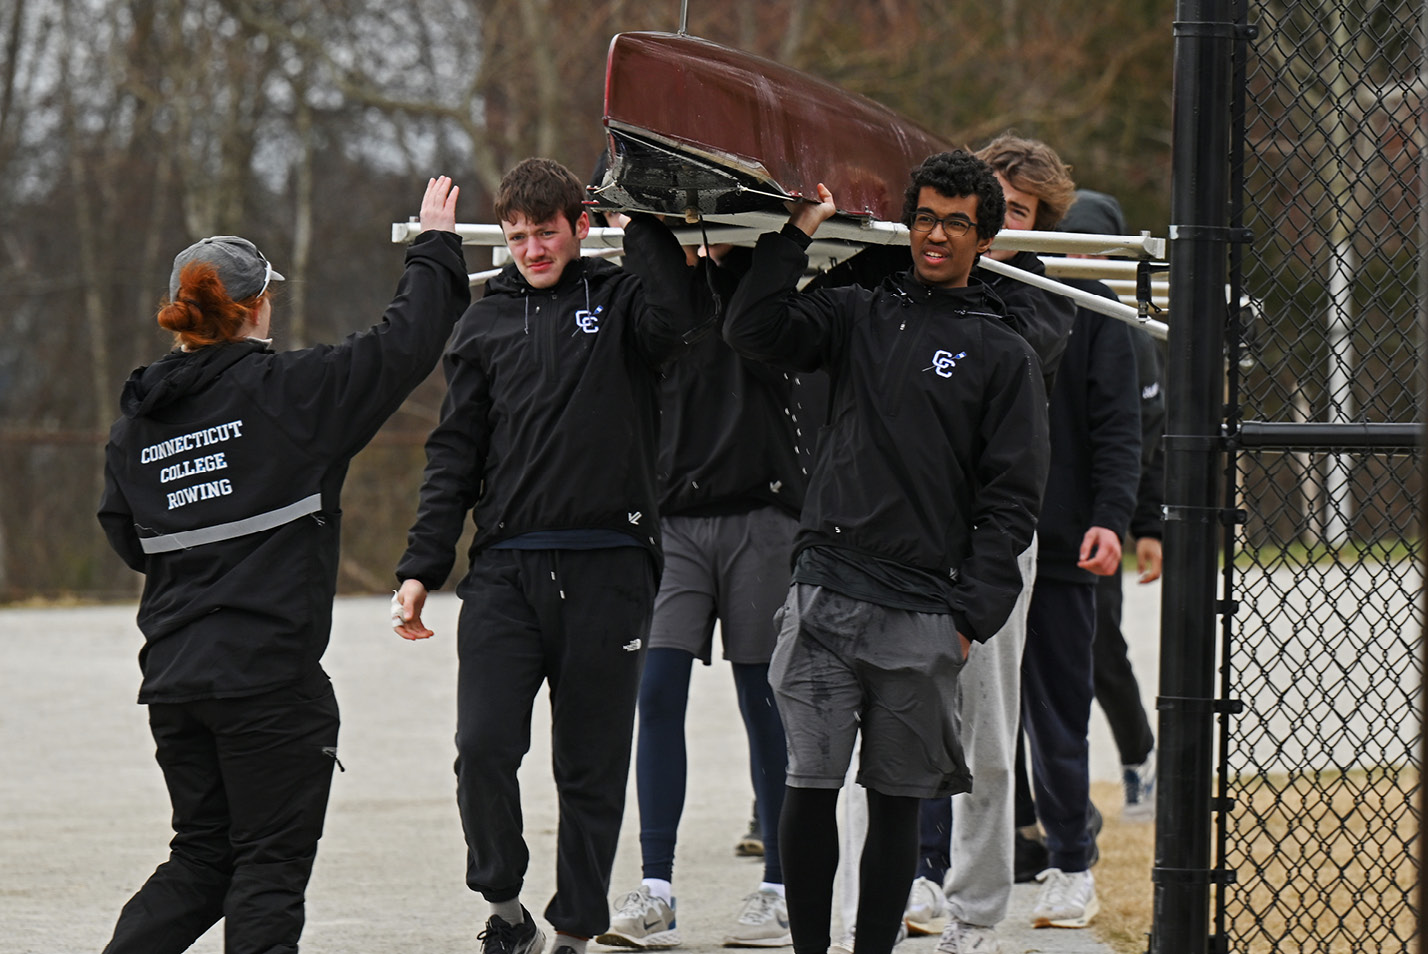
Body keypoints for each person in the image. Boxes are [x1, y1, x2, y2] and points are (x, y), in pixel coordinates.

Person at [95, 176, 468, 954]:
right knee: (266, 869)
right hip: (267, 685)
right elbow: (402, 345)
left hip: (176, 682)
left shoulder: (133, 430)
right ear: (258, 306)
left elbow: (127, 539)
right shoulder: (291, 395)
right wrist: (434, 246)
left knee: (200, 859)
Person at [723, 150, 1050, 954]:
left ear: (984, 236)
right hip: (826, 593)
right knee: (808, 789)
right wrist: (795, 236)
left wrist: (970, 616)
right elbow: (752, 328)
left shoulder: (1004, 353)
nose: (936, 237)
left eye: (956, 225)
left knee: (897, 801)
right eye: (926, 218)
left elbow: (1013, 500)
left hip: (924, 612)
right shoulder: (858, 312)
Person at [390, 157, 698, 954]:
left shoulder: (623, 298)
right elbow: (454, 452)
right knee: (483, 748)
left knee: (590, 768)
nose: (532, 249)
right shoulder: (486, 323)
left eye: (546, 234)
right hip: (506, 572)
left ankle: (573, 929)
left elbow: (680, 323)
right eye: (519, 236)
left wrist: (650, 226)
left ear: (580, 227)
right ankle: (503, 904)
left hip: (611, 567)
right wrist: (422, 567)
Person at [595, 234, 804, 949]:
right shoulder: (653, 292)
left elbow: (777, 272)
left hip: (761, 515)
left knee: (764, 701)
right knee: (655, 693)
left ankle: (781, 885)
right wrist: (665, 240)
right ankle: (656, 887)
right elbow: (627, 213)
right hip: (675, 521)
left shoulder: (773, 281)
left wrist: (768, 240)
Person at [1009, 174, 1144, 929]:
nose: (1002, 225)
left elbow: (1121, 426)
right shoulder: (953, 295)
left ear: (1047, 221)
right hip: (969, 553)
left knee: (1056, 717)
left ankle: (1070, 861)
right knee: (959, 725)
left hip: (1060, 547)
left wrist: (1115, 518)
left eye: (1020, 212)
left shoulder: (1091, 305)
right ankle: (943, 870)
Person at [1059, 189, 1164, 822]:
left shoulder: (1126, 326)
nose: (1080, 258)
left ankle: (1139, 757)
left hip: (1100, 519)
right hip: (1037, 518)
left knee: (1100, 652)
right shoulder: (1033, 304)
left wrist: (1143, 524)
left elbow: (1143, 436)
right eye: (1070, 245)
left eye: (1093, 249)